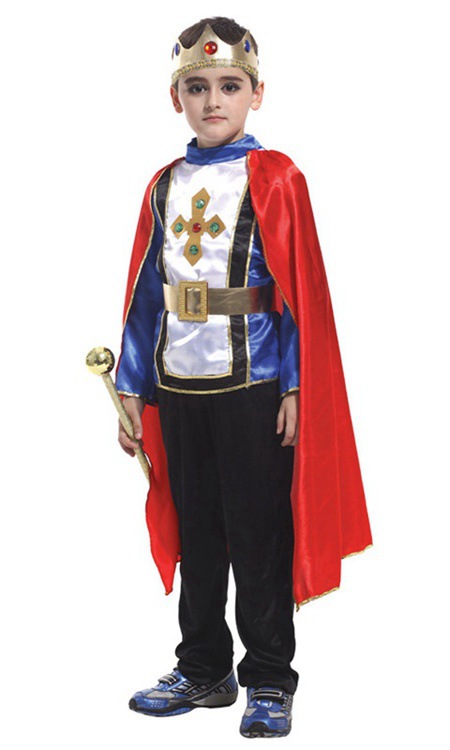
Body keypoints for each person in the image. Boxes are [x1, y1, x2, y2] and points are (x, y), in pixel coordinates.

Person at [114, 16, 372, 739]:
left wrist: (295, 385)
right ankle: (203, 668)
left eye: (229, 86)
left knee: (259, 537)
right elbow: (146, 294)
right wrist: (131, 385)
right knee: (198, 534)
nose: (212, 100)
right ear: (176, 98)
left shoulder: (277, 178)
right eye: (196, 87)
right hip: (179, 384)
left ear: (257, 94)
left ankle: (268, 678)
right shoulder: (163, 185)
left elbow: (297, 292)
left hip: (255, 386)